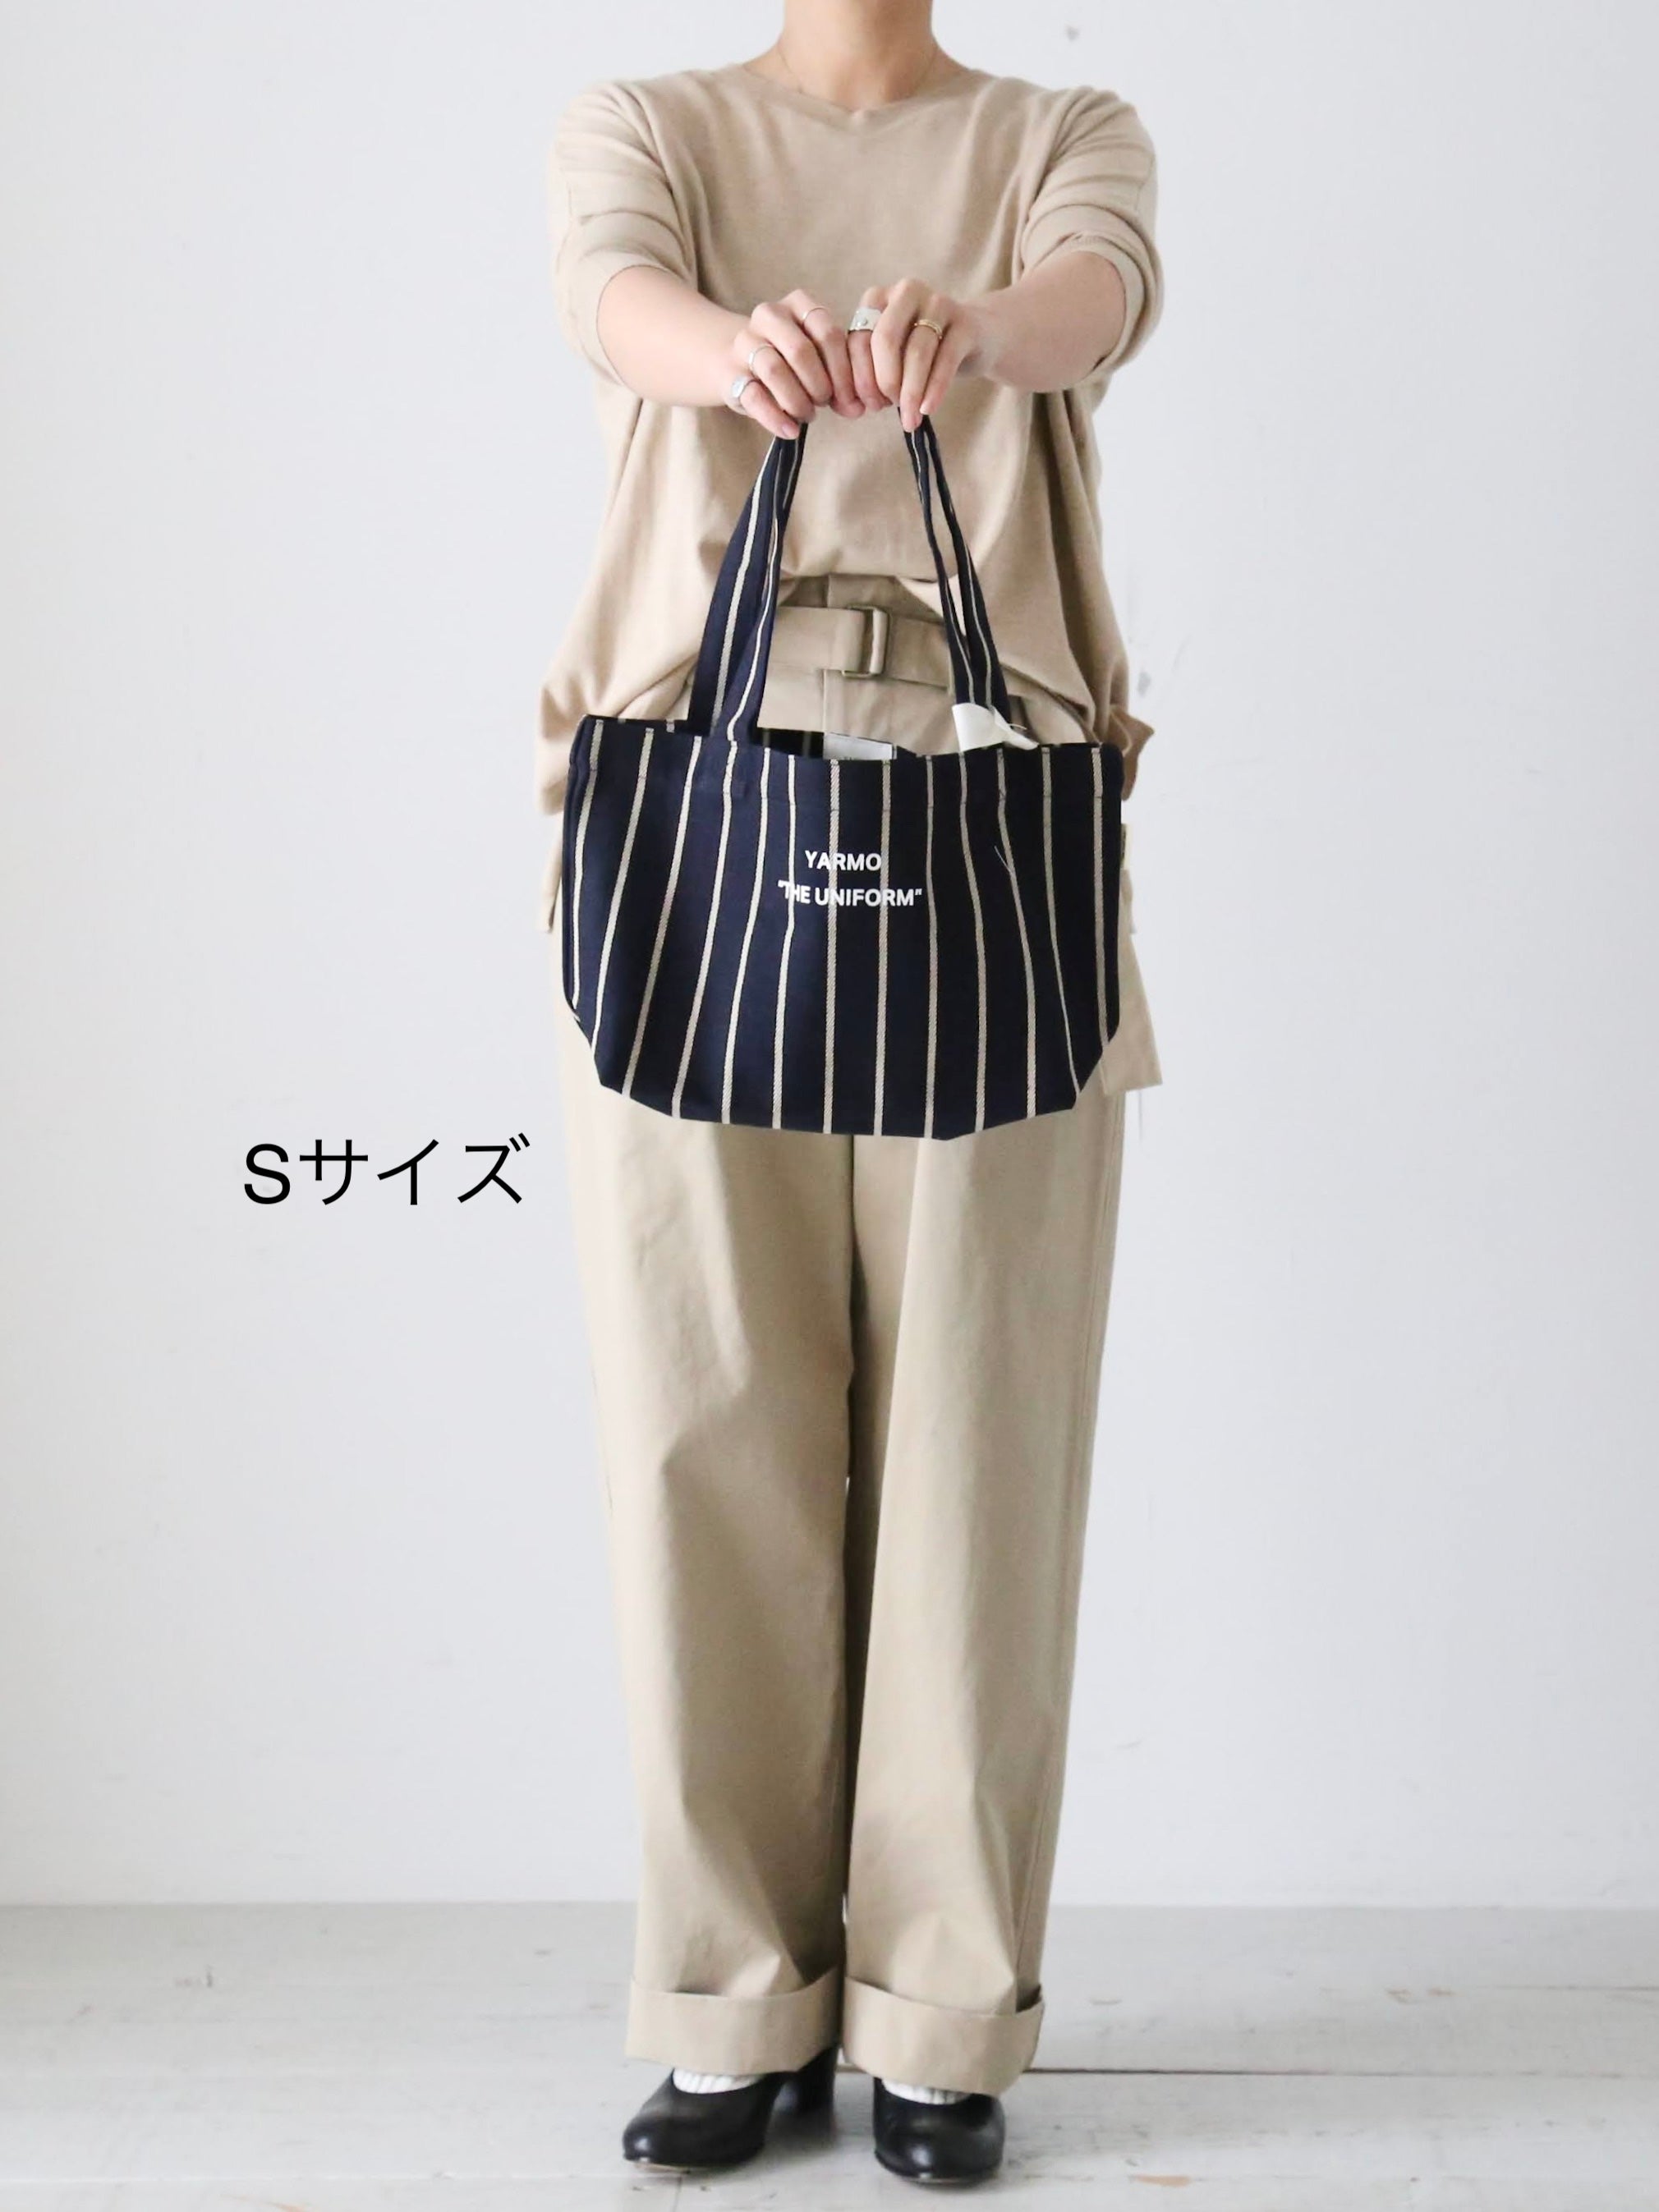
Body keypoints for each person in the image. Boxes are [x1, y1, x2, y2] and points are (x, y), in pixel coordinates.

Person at [537, 0, 1165, 2183]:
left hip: (991, 810)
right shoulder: (650, 123)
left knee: (983, 1439)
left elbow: (1101, 292)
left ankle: (938, 2015)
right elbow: (609, 295)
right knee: (696, 1420)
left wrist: (967, 332)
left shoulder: (1059, 128)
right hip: (687, 812)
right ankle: (731, 2002)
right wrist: (743, 357)